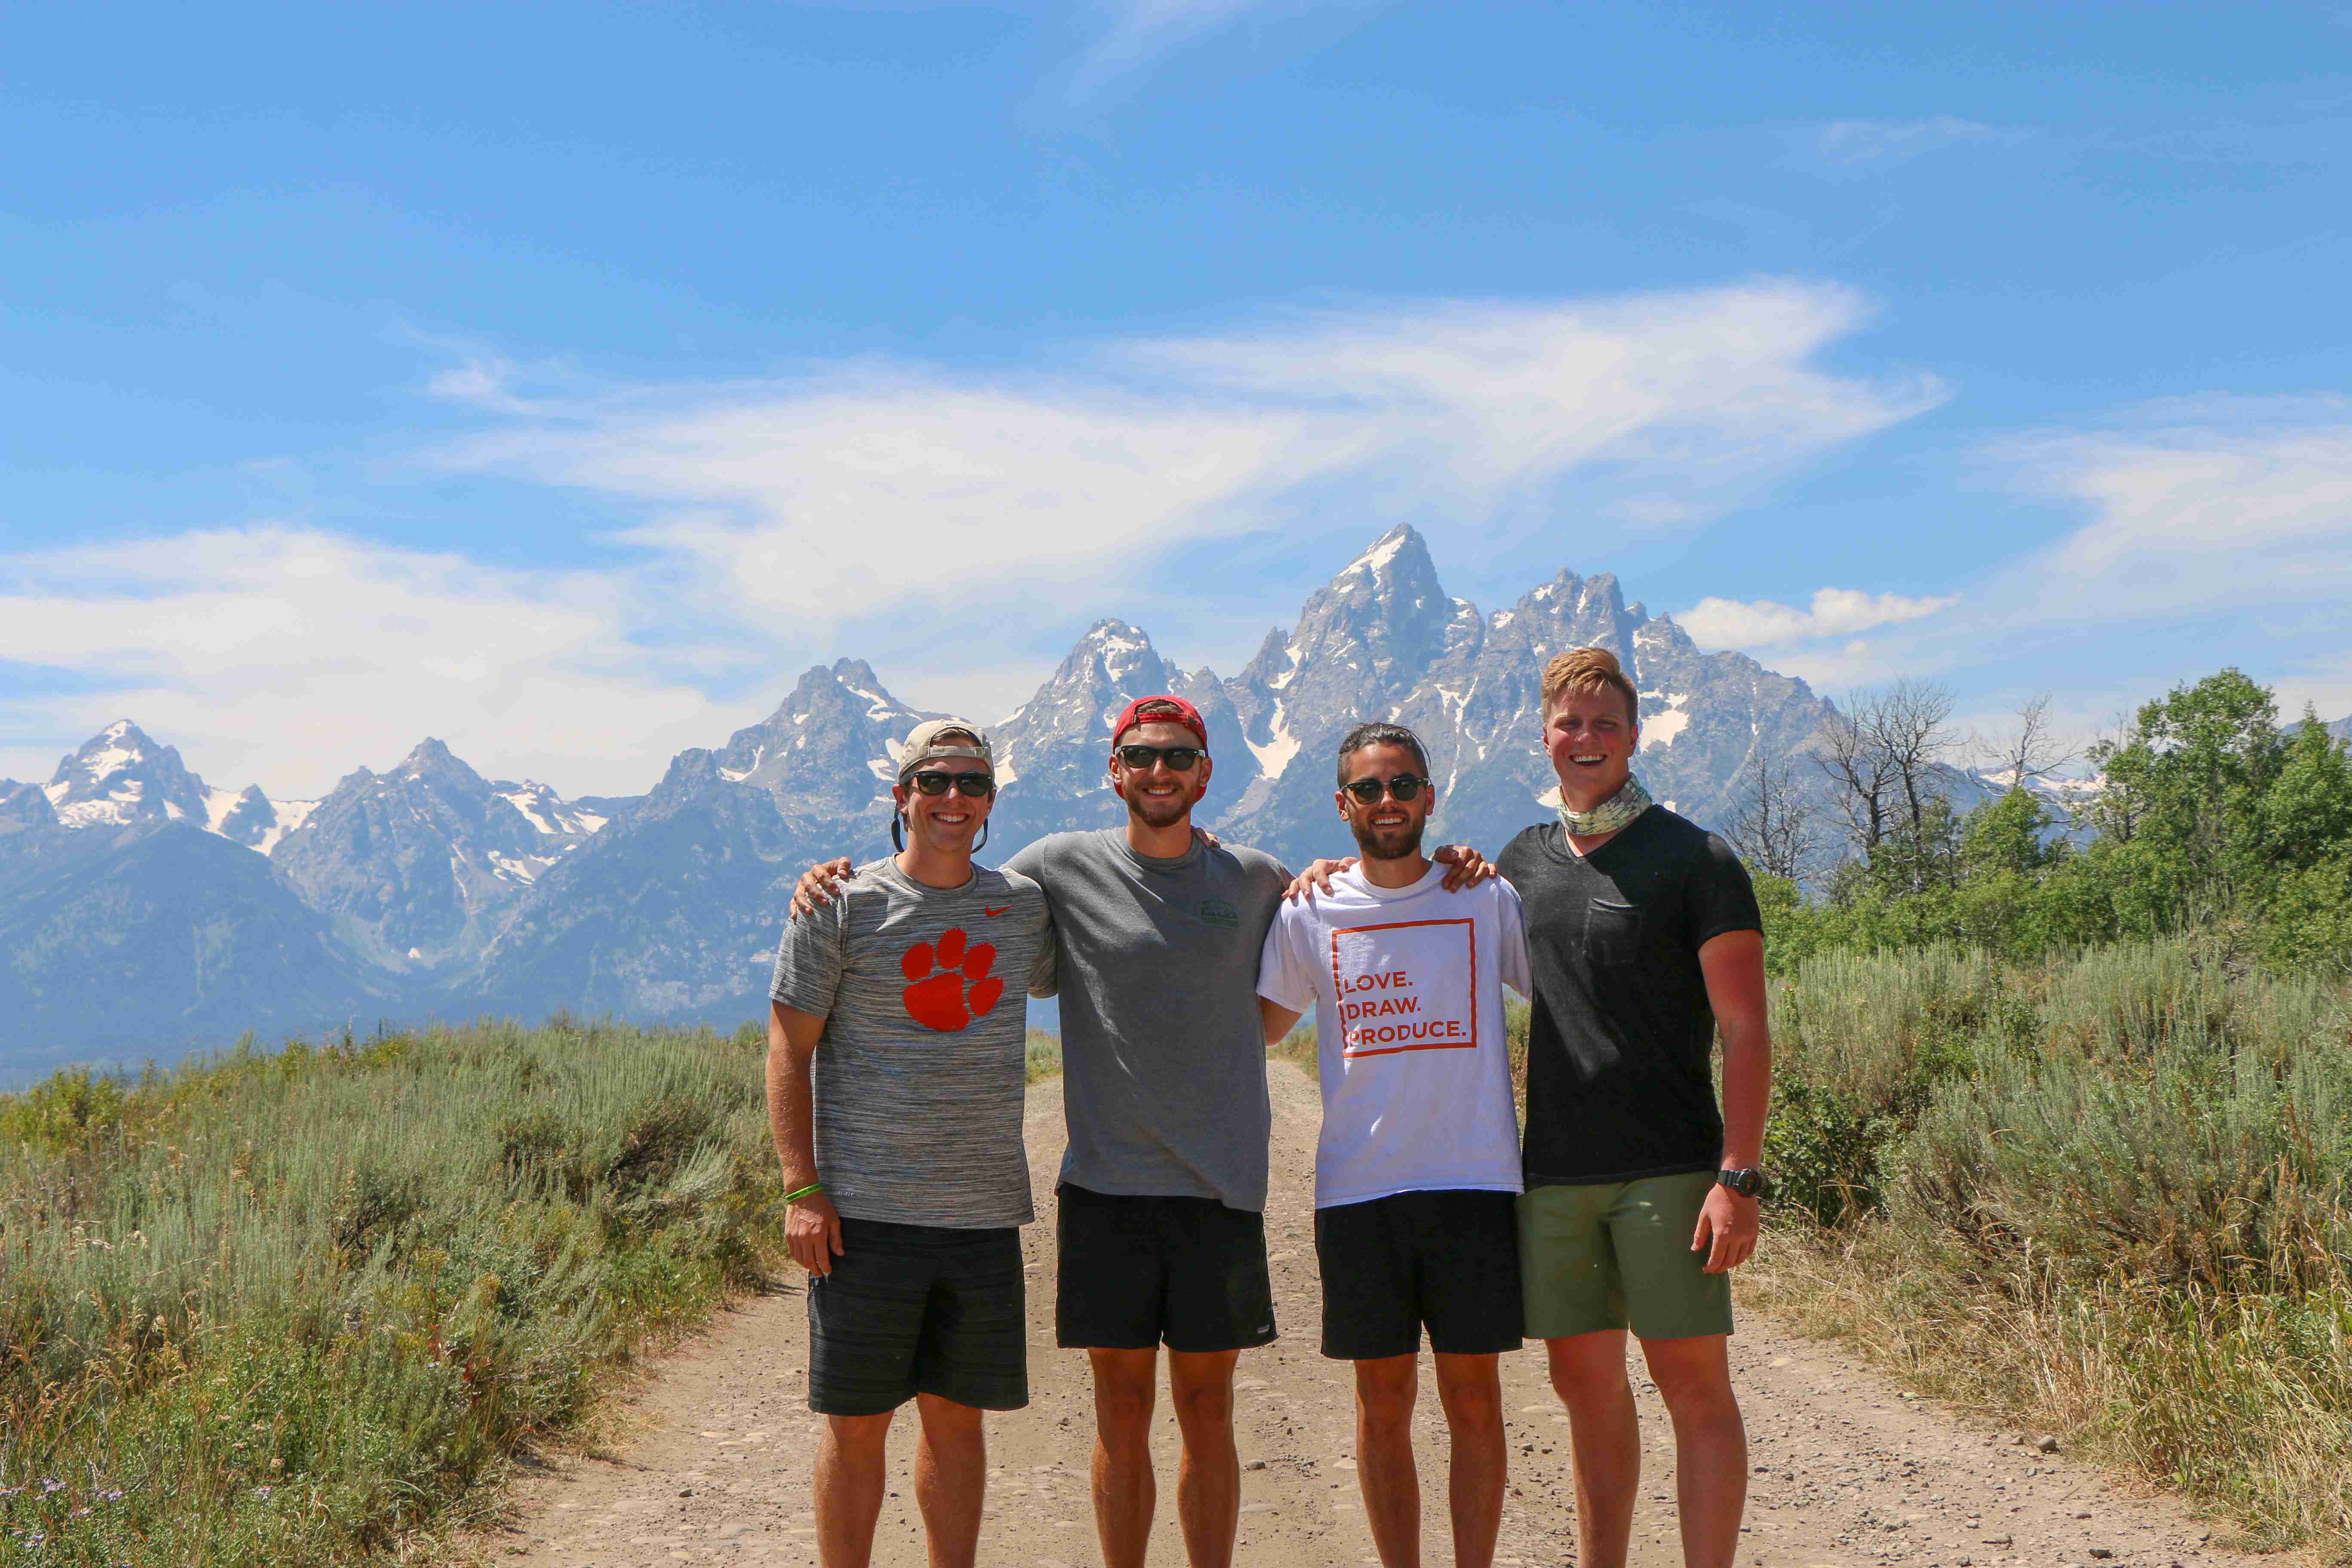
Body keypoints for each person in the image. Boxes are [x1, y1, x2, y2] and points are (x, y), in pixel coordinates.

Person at [792, 695, 1487, 1568]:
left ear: (1205, 772)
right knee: (1119, 1416)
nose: (1161, 772)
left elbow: (1352, 903)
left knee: (1208, 1412)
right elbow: (945, 879)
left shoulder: (1263, 879)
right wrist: (832, 884)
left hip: (1220, 1193)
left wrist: (1446, 858)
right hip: (1105, 1192)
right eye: (1143, 757)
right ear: (1114, 771)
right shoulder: (1054, 869)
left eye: (1179, 757)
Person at [1497, 647, 1772, 1568]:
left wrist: (1738, 1176)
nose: (1586, 740)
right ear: (1545, 738)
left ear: (1633, 736)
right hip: (1556, 1174)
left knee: (1693, 1390)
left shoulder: (1696, 858)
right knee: (1584, 1391)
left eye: (1604, 724)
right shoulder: (1520, 862)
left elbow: (1745, 1031)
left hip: (1670, 1169)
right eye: (1570, 724)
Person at [765, 719, 1057, 1568]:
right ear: (903, 798)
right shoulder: (840, 906)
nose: (953, 799)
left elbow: (1124, 902)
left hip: (980, 1212)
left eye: (971, 784)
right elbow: (788, 1046)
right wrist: (799, 1188)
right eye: (935, 783)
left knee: (956, 1423)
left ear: (991, 804)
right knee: (856, 1427)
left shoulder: (1023, 907)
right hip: (865, 1215)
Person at [1255, 722, 1528, 1568]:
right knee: (1381, 1403)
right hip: (1358, 1192)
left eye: (1402, 785)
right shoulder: (1311, 909)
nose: (1387, 802)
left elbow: (1567, 995)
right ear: (1341, 804)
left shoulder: (1485, 898)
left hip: (1475, 1182)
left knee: (1475, 1400)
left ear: (1430, 798)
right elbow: (1257, 1030)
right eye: (1368, 789)